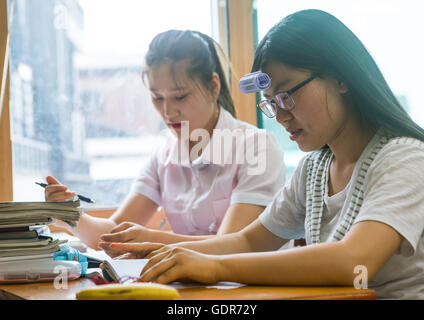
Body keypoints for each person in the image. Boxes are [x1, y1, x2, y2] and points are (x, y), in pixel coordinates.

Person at [102, 10, 424, 299]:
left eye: (287, 94)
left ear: (339, 77)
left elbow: (355, 261)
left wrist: (215, 267)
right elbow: (248, 242)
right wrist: (163, 248)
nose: (281, 115)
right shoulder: (314, 169)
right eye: (271, 102)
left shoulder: (404, 158)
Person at [45, 30, 286, 252]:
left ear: (213, 87)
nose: (168, 111)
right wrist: (72, 215)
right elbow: (113, 234)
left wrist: (152, 240)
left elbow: (234, 246)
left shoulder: (257, 147)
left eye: (180, 96)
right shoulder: (163, 155)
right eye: (157, 98)